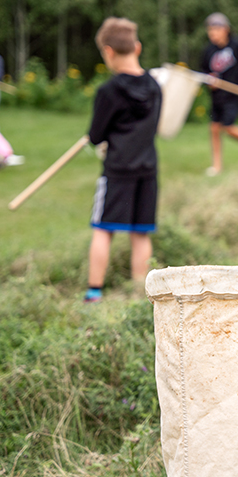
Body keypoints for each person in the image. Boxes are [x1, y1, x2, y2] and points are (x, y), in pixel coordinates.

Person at [84, 17, 162, 303]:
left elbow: (96, 135)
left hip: (117, 170)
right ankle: (140, 295)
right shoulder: (155, 87)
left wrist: (92, 137)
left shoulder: (108, 91)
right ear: (137, 47)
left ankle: (94, 292)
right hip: (147, 169)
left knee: (103, 229)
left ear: (108, 51)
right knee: (140, 233)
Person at [199, 12, 238, 176]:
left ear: (225, 29)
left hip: (234, 95)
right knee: (214, 128)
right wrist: (209, 80)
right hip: (217, 96)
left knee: (227, 127)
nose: (212, 34)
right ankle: (217, 166)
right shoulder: (208, 51)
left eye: (216, 30)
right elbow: (204, 72)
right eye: (210, 30)